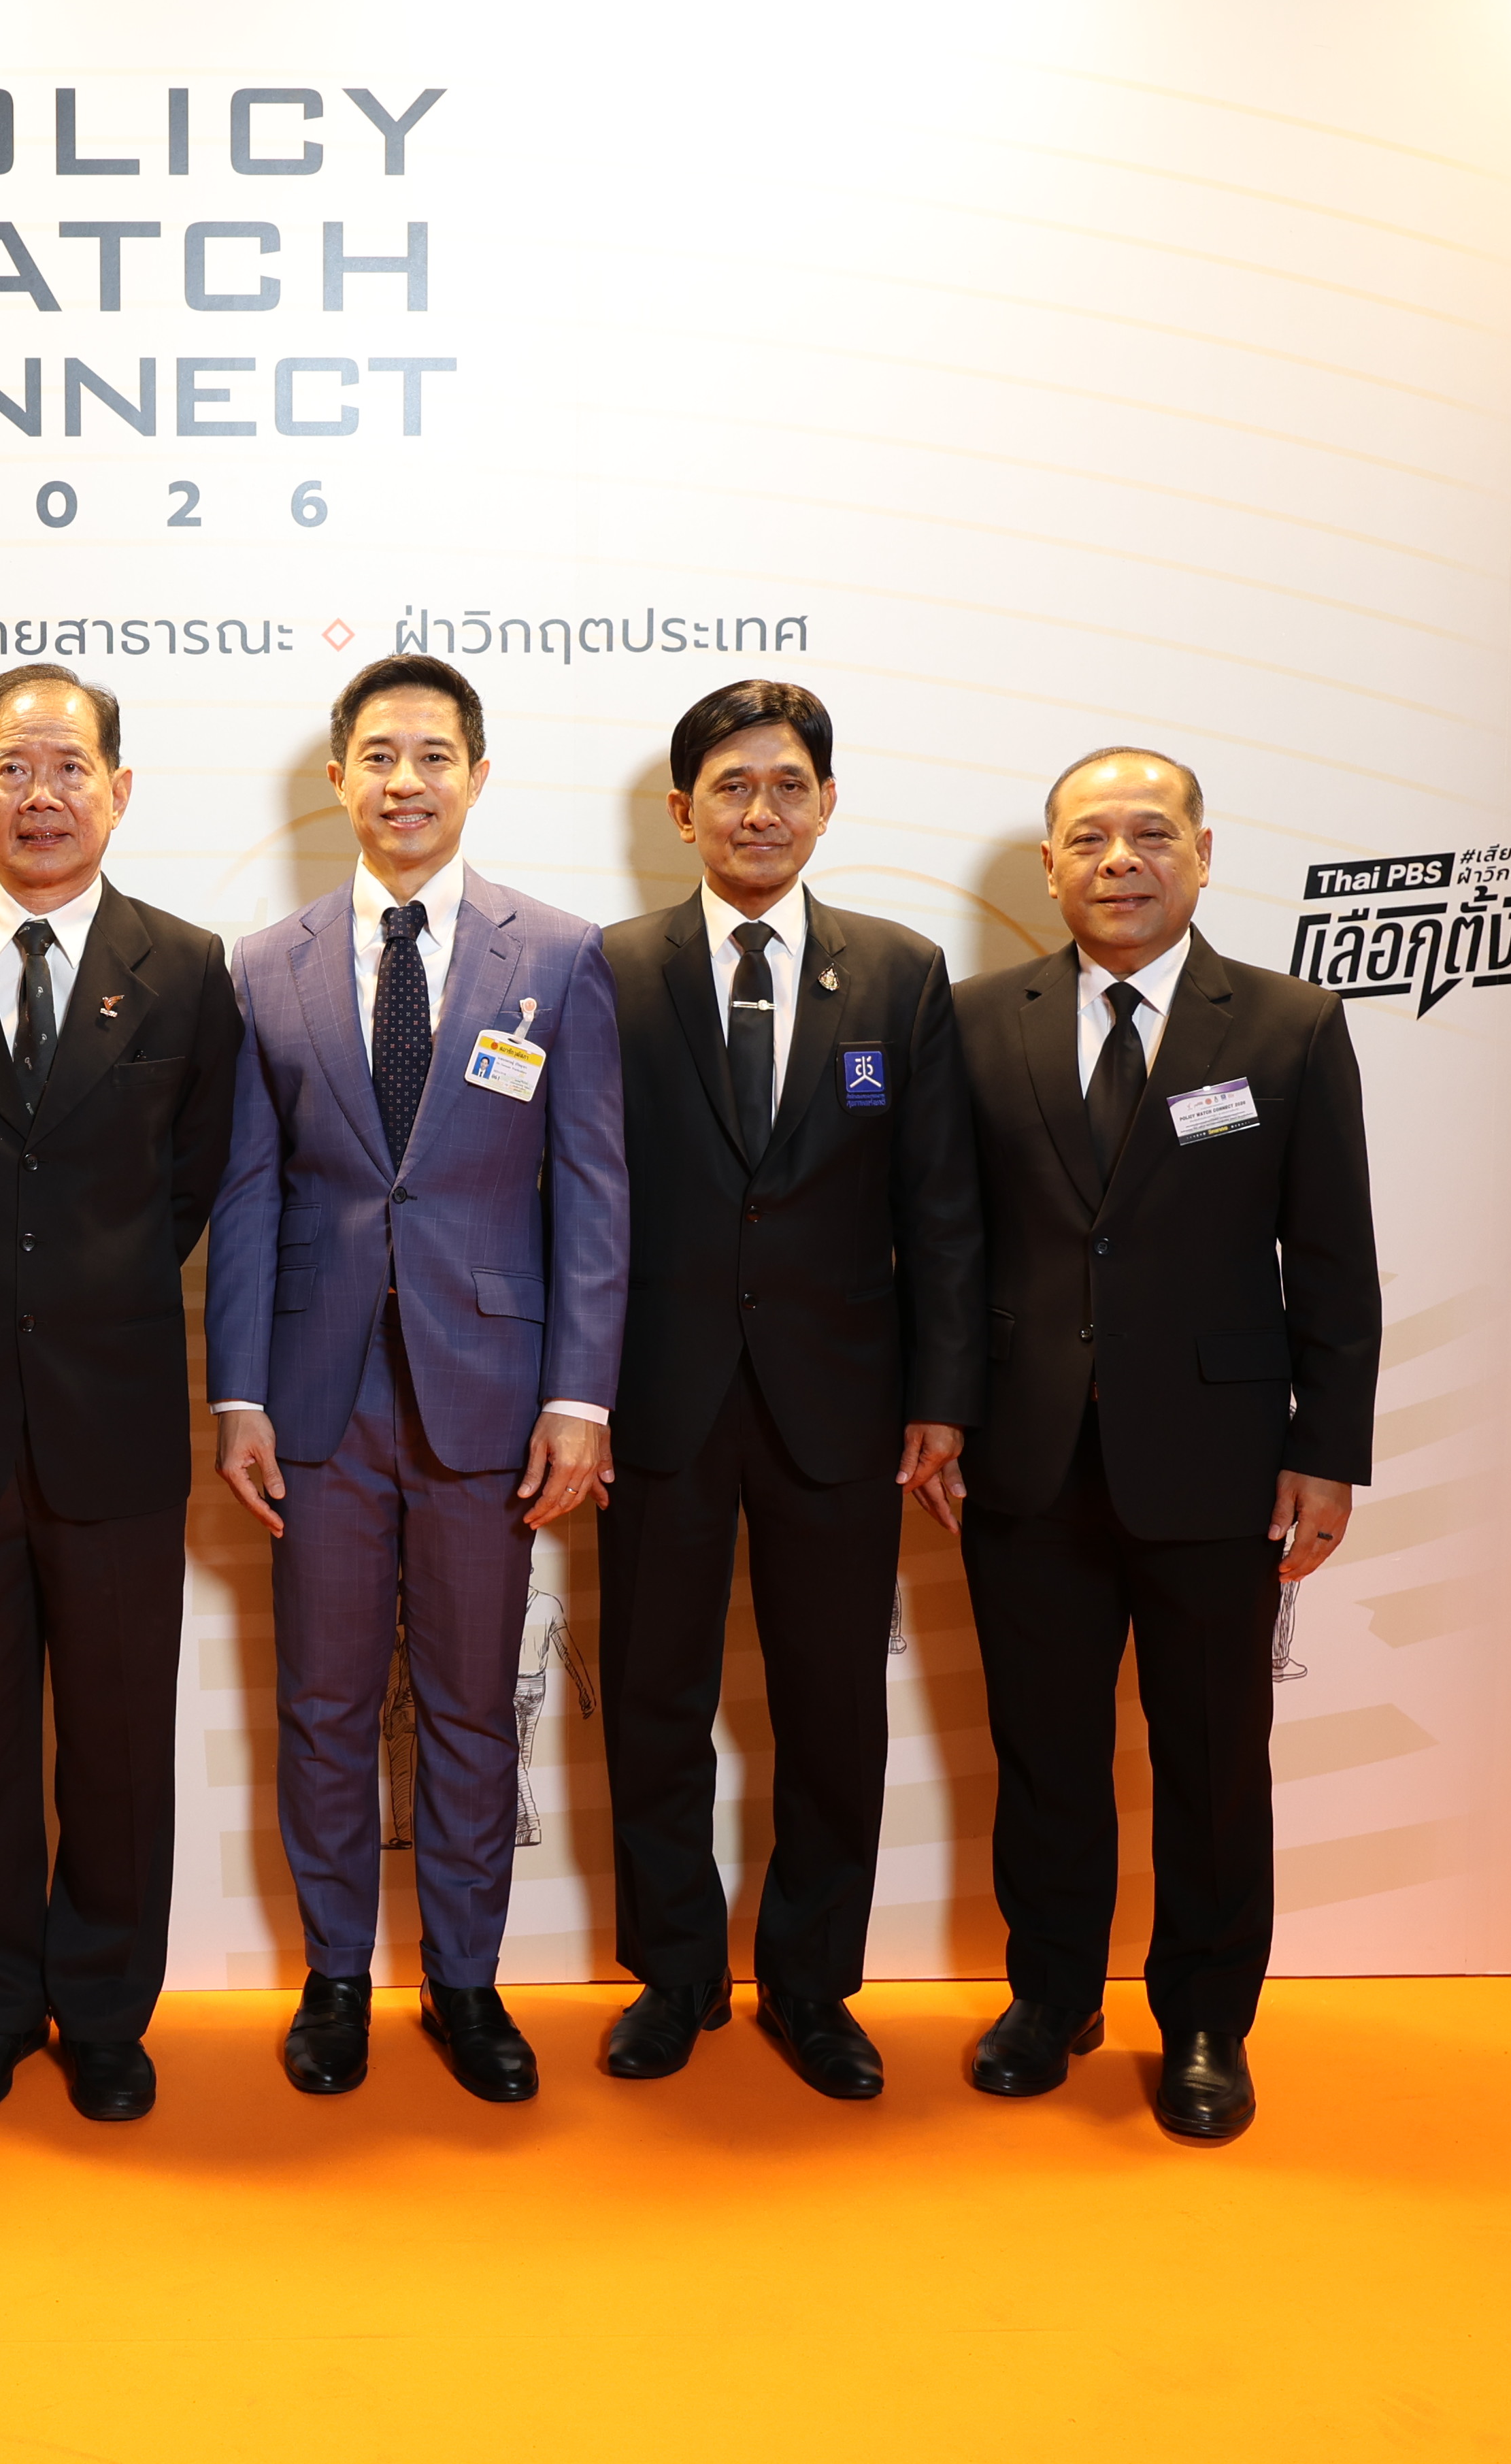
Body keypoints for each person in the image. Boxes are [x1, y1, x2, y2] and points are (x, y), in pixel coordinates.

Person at [206, 653, 628, 2103]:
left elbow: (595, 1191)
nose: (405, 781)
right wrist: (238, 1393)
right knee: (323, 1704)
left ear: (478, 776)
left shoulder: (559, 954)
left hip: (491, 1394)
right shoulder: (264, 964)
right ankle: (335, 1975)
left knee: (466, 1704)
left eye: (434, 756)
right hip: (317, 1399)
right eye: (379, 756)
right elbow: (247, 1193)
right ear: (338, 778)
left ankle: (465, 1980)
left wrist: (581, 1396)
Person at [951, 747, 1378, 2143]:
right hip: (1025, 1457)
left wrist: (1329, 1447)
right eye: (1089, 838)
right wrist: (939, 1411)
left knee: (1212, 1757)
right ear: (1050, 867)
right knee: (1045, 1751)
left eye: (1150, 833)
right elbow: (947, 1246)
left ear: (1204, 853)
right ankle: (1051, 1994)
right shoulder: (978, 1020)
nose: (1119, 859)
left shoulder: (1290, 1024)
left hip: (1218, 1459)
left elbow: (1332, 1257)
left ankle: (1204, 2019)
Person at [0, 666, 243, 2124]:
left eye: (71, 767)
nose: (42, 795)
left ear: (119, 791)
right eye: (14, 768)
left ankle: (107, 2010)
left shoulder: (187, 965)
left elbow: (190, 1183)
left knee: (123, 1738)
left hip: (115, 1411)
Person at [591, 680, 984, 2096]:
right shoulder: (608, 970)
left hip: (844, 1403)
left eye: (788, 786)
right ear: (681, 809)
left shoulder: (898, 973)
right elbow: (576, 1196)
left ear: (825, 805)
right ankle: (675, 1974)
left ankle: (813, 1985)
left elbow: (941, 1206)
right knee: (654, 1697)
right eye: (732, 787)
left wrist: (943, 1394)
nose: (761, 812)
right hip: (658, 1395)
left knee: (831, 1705)